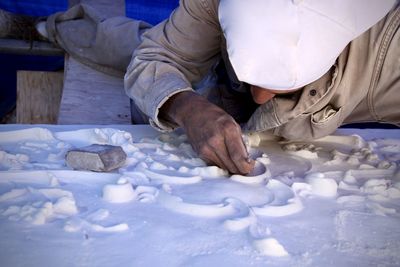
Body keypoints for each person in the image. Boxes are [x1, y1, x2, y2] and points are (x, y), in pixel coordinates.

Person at [8, 0, 400, 174]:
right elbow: (157, 59)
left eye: (281, 88)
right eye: (255, 82)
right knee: (138, 47)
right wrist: (184, 104)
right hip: (217, 76)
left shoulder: (392, 47)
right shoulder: (214, 3)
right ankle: (50, 26)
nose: (260, 97)